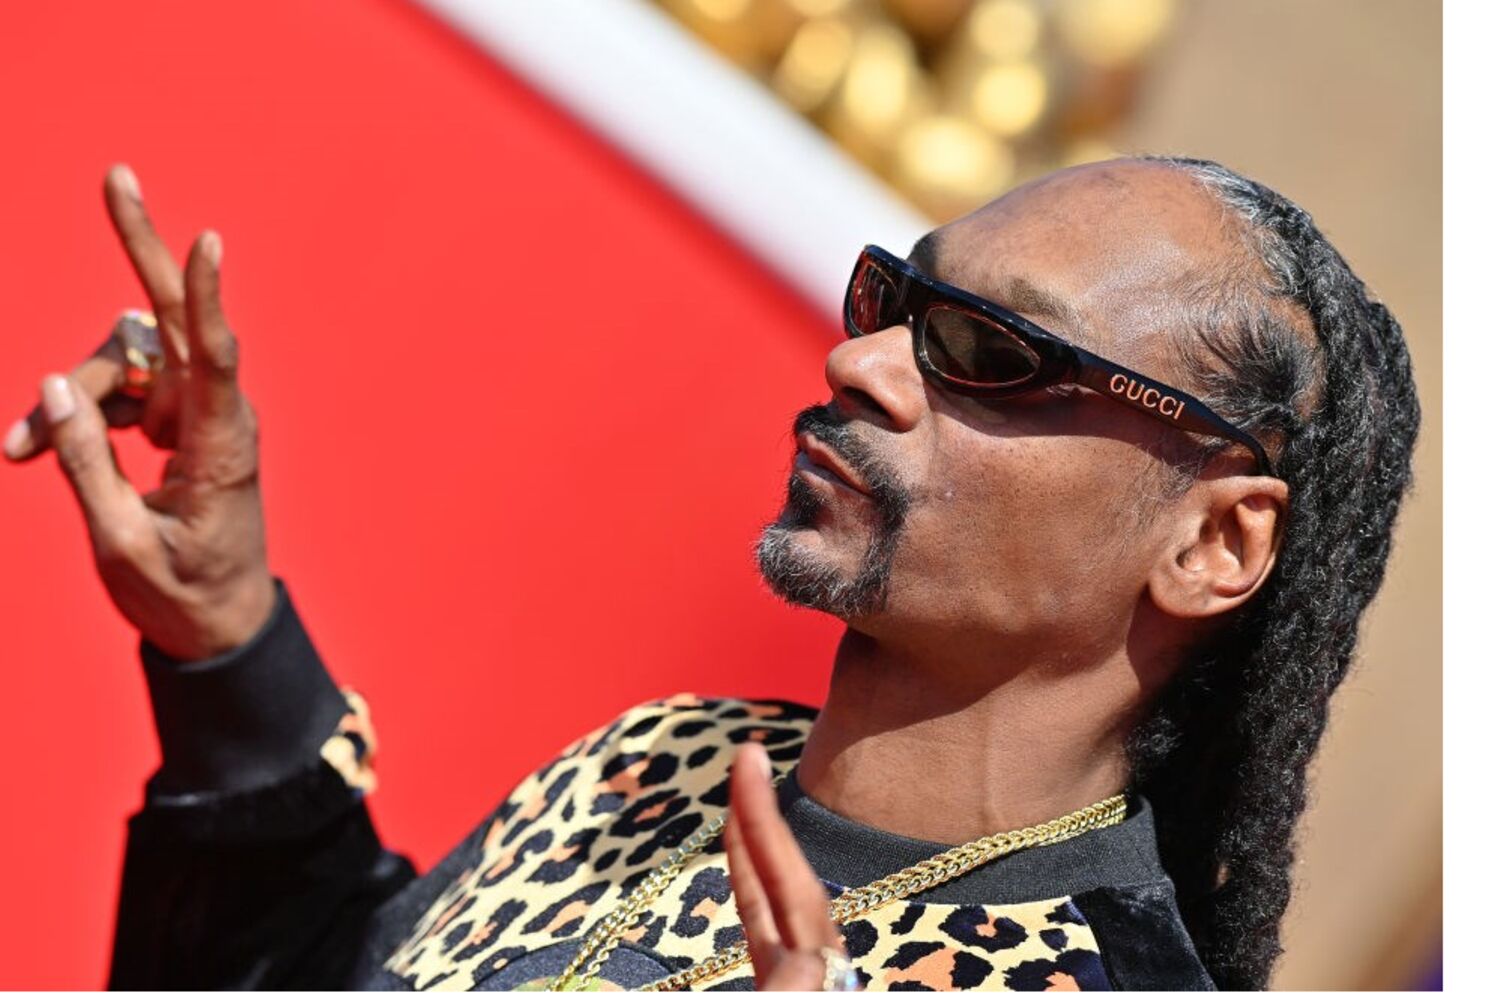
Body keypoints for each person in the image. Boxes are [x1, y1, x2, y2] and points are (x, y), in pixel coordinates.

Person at [3, 156, 1419, 991]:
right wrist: (225, 642)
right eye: (896, 303)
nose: (860, 364)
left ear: (1214, 543)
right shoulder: (665, 763)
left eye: (992, 353)